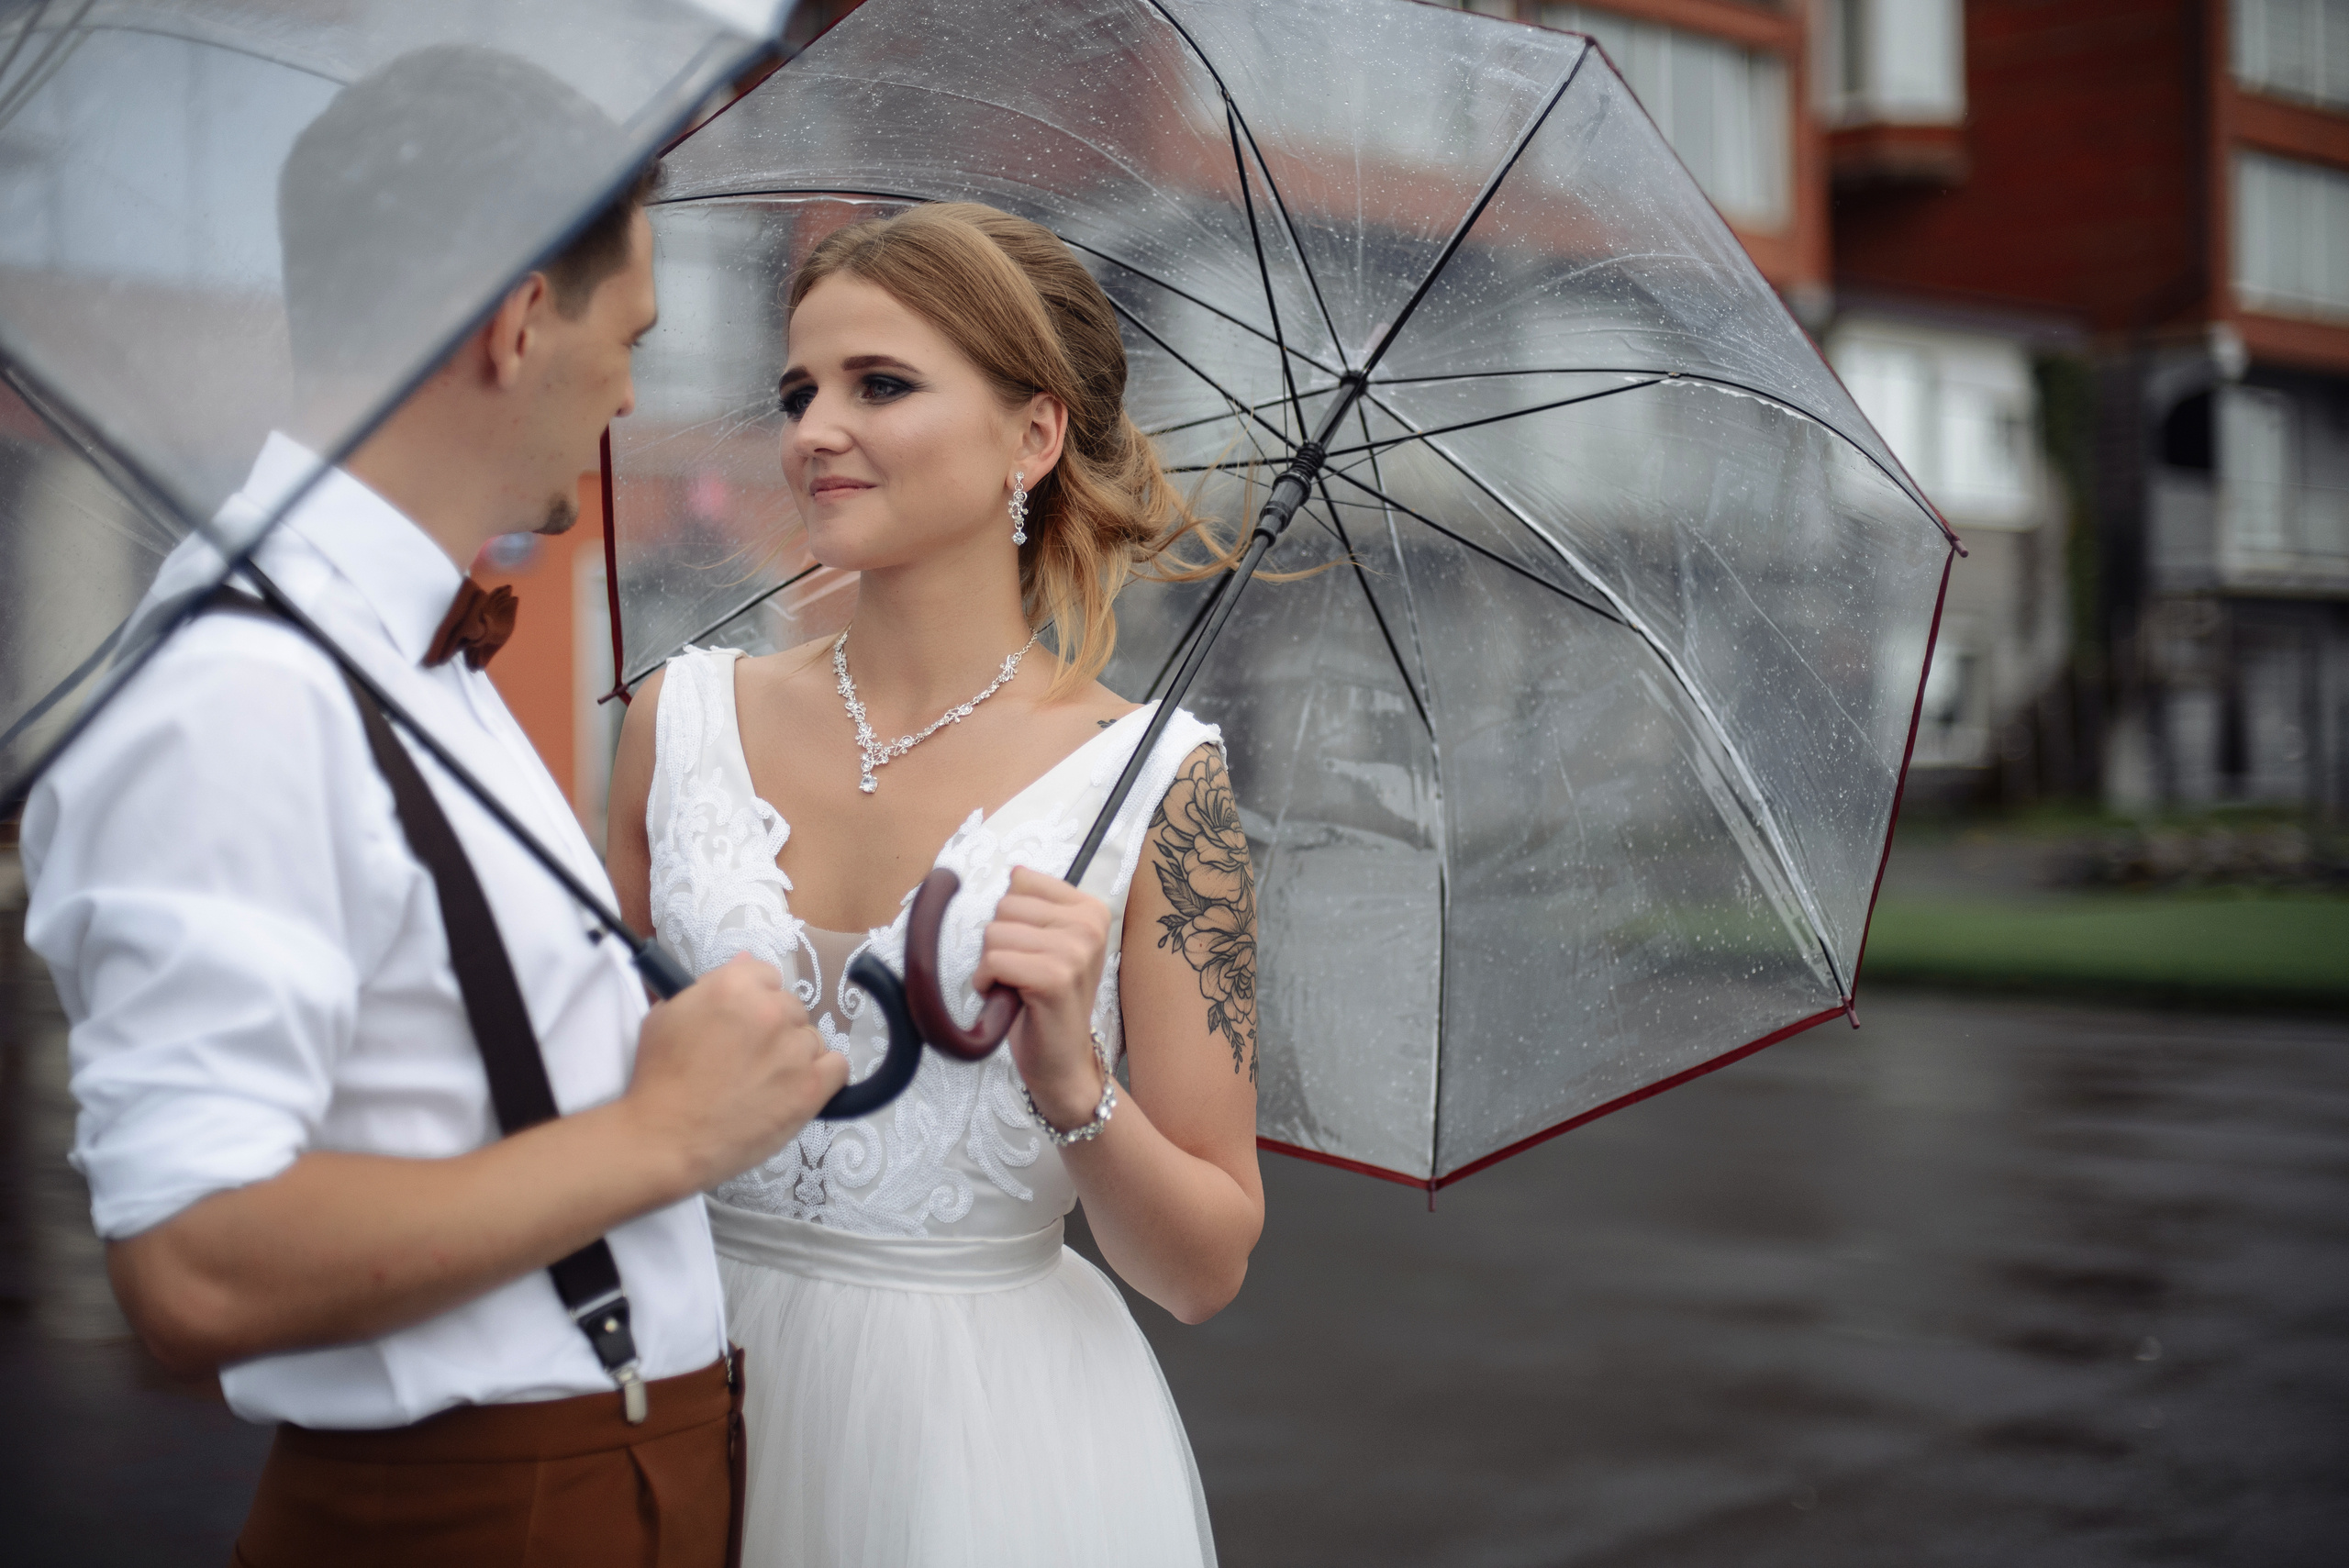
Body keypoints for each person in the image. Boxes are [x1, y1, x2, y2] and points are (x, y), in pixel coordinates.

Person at [18, 49, 847, 1567]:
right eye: (632, 334)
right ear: (522, 319)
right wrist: (662, 1132)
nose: (631, 390)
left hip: (611, 1487)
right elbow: (194, 1259)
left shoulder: (409, 647)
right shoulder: (242, 692)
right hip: (479, 1514)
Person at [606, 202, 1265, 1566]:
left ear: (1033, 435)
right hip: (679, 1391)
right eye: (799, 391)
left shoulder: (1156, 785)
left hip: (992, 1457)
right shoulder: (676, 724)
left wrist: (1077, 1080)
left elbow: (1202, 1269)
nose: (812, 431)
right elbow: (584, 1104)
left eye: (880, 385)